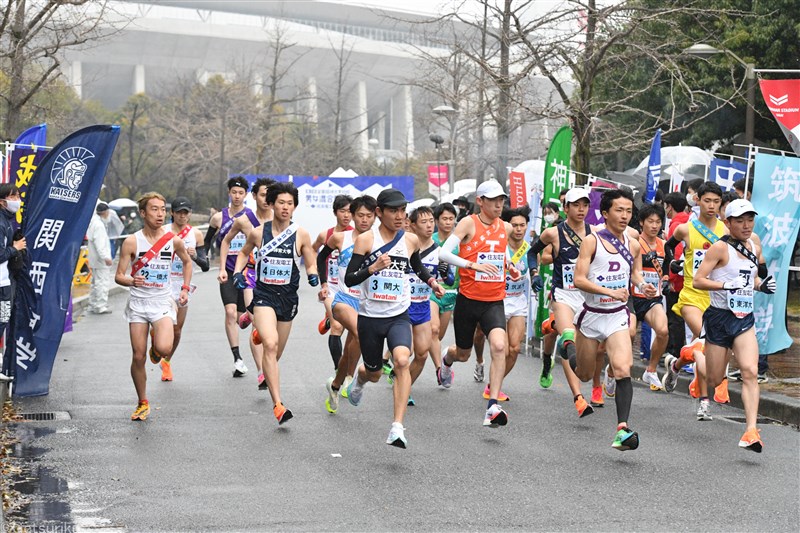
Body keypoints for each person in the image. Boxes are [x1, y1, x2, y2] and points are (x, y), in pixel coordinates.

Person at [343, 189, 444, 447]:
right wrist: (373, 267)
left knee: (401, 360)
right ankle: (361, 378)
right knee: (374, 372)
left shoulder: (410, 240)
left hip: (399, 314)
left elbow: (417, 265)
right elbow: (350, 278)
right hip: (370, 317)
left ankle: (397, 427)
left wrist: (431, 281)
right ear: (379, 212)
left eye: (403, 211)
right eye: (393, 211)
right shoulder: (366, 240)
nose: (400, 216)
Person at [572, 188, 657, 451]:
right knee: (584, 374)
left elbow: (635, 275)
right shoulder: (592, 241)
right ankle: (567, 347)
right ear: (605, 212)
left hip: (617, 315)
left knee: (622, 368)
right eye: (619, 210)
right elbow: (579, 279)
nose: (624, 216)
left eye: (629, 211)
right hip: (591, 316)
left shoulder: (633, 243)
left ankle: (622, 428)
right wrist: (609, 291)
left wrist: (643, 286)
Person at [233, 182, 319, 425]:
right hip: (264, 296)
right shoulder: (259, 233)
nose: (285, 207)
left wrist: (312, 273)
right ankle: (279, 405)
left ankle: (259, 327)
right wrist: (238, 273)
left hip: (288, 298)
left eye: (290, 203)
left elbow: (310, 258)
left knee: (275, 352)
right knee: (269, 345)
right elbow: (243, 253)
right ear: (271, 204)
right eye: (281, 202)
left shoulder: (301, 234)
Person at [692, 199, 774, 452]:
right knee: (716, 379)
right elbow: (698, 280)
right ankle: (693, 354)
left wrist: (761, 285)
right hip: (718, 318)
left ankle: (751, 431)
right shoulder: (719, 248)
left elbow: (752, 276)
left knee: (749, 370)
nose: (746, 225)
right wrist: (724, 285)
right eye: (740, 220)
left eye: (750, 219)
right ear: (727, 223)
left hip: (743, 317)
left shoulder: (754, 246)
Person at [437, 180, 521, 427]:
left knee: (498, 346)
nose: (499, 204)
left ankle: (492, 406)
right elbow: (444, 253)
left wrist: (510, 267)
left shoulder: (505, 227)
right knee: (463, 354)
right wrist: (471, 265)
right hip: (468, 299)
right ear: (480, 201)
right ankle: (447, 359)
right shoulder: (468, 223)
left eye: (502, 200)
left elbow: (500, 254)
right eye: (493, 199)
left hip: (494, 300)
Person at [115, 192, 192, 421]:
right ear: (142, 213)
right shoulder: (132, 241)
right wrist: (130, 280)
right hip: (138, 303)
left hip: (162, 302)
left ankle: (156, 349)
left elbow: (187, 262)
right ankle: (142, 402)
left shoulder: (173, 240)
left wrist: (185, 288)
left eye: (162, 210)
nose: (160, 214)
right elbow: (119, 276)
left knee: (165, 348)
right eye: (154, 209)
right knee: (138, 357)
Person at [664, 181, 729, 419]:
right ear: (698, 201)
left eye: (716, 202)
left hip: (717, 298)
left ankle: (676, 365)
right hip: (691, 295)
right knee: (705, 342)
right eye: (707, 201)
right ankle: (704, 401)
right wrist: (671, 263)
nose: (711, 206)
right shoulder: (686, 229)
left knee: (701, 346)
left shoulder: (726, 231)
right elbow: (668, 247)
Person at [529, 188, 596, 415]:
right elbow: (532, 253)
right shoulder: (553, 233)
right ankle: (578, 397)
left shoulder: (594, 233)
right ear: (566, 208)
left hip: (586, 298)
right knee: (568, 339)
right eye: (576, 205)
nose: (581, 209)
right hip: (563, 294)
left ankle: (548, 350)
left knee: (556, 334)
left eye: (585, 205)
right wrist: (534, 274)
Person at [317, 195, 377, 414]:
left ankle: (335, 385)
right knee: (361, 333)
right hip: (342, 298)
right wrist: (324, 283)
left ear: (375, 217)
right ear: (352, 215)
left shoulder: (378, 241)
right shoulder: (340, 238)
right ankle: (356, 379)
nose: (364, 220)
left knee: (351, 350)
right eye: (359, 215)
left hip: (367, 302)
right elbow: (321, 257)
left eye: (368, 216)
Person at [218, 178, 274, 387]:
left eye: (270, 196)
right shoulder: (244, 220)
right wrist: (224, 268)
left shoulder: (281, 220)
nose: (266, 200)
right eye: (262, 195)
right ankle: (261, 372)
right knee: (257, 322)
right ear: (254, 196)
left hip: (271, 279)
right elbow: (225, 241)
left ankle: (247, 319)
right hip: (250, 275)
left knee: (267, 327)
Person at [159, 197, 209, 382]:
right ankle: (158, 340)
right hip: (163, 282)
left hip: (183, 283)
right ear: (172, 213)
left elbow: (205, 265)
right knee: (168, 323)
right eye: (179, 212)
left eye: (185, 212)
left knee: (177, 330)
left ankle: (167, 361)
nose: (182, 216)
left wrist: (195, 256)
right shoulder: (162, 231)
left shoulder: (195, 234)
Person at [207, 176, 253, 377]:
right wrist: (205, 259)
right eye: (233, 192)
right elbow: (207, 243)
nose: (237, 196)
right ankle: (237, 358)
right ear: (229, 193)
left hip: (246, 275)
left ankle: (244, 318)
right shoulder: (218, 218)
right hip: (227, 273)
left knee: (246, 316)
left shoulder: (251, 217)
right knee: (230, 313)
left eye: (240, 193)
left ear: (246, 195)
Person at [632, 204, 671, 390]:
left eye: (658, 222)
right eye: (650, 221)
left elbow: (667, 269)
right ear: (641, 223)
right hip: (631, 297)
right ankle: (612, 372)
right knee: (629, 335)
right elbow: (634, 271)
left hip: (652, 298)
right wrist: (640, 283)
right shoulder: (634, 243)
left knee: (663, 331)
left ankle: (652, 370)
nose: (654, 226)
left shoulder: (664, 245)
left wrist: (666, 279)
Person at [312, 195, 353, 371]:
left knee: (351, 330)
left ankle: (329, 318)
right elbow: (313, 252)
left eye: (350, 211)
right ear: (335, 212)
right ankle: (339, 371)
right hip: (331, 286)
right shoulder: (326, 235)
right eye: (342, 211)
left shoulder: (358, 234)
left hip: (350, 288)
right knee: (337, 326)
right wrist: (321, 280)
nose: (346, 215)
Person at [429, 203, 460, 381]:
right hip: (432, 291)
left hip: (451, 292)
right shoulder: (430, 239)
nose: (448, 222)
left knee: (438, 336)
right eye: (444, 219)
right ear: (437, 220)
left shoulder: (459, 242)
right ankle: (440, 370)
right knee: (433, 331)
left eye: (451, 219)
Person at [0, 185, 25, 375]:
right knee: (1, 321)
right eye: (13, 196)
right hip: (1, 284)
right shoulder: (1, 223)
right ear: (2, 202)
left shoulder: (8, 221)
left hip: (6, 281)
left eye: (17, 195)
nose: (17, 199)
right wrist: (14, 248)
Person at [663, 192, 689, 359]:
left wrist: (671, 279)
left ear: (670, 207)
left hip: (678, 280)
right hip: (691, 278)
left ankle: (675, 353)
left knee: (675, 317)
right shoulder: (691, 221)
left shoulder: (677, 226)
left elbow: (676, 255)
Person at [87, 203, 114, 314]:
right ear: (105, 212)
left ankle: (93, 304)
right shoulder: (99, 225)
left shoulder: (93, 222)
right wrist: (106, 257)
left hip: (94, 258)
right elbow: (100, 243)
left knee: (95, 282)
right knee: (102, 282)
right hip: (100, 260)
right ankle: (100, 306)